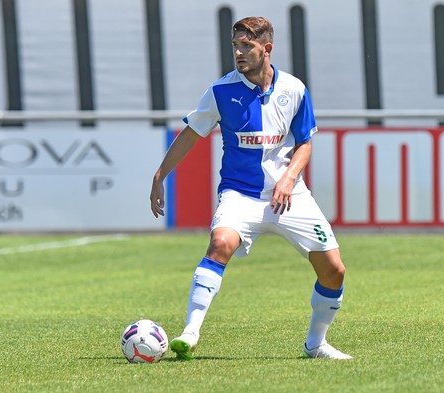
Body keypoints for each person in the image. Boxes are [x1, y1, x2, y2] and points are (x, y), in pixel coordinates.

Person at [150, 16, 351, 360]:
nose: (239, 53)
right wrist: (160, 175)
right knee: (220, 243)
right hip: (240, 195)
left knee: (334, 270)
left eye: (247, 46)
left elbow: (305, 144)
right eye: (235, 47)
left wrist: (288, 179)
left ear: (266, 49)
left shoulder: (295, 89)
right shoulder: (221, 91)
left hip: (290, 196)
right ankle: (190, 332)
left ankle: (316, 343)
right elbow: (191, 134)